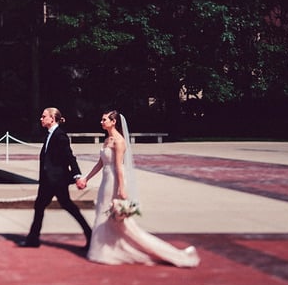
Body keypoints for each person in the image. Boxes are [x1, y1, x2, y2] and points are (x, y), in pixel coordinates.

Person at [76, 110, 199, 267]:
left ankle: (167, 254)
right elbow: (100, 163)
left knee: (120, 221)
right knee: (102, 213)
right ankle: (104, 250)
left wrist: (121, 188)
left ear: (114, 122)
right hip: (105, 181)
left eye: (105, 119)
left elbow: (119, 167)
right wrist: (86, 178)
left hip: (114, 181)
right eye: (102, 119)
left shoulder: (119, 141)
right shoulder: (107, 140)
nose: (101, 122)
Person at [19, 107, 94, 249]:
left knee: (67, 206)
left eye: (44, 116)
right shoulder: (49, 135)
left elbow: (70, 157)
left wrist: (77, 176)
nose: (41, 119)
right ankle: (33, 239)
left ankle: (90, 235)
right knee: (41, 206)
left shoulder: (60, 135)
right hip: (48, 181)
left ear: (52, 119)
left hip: (57, 180)